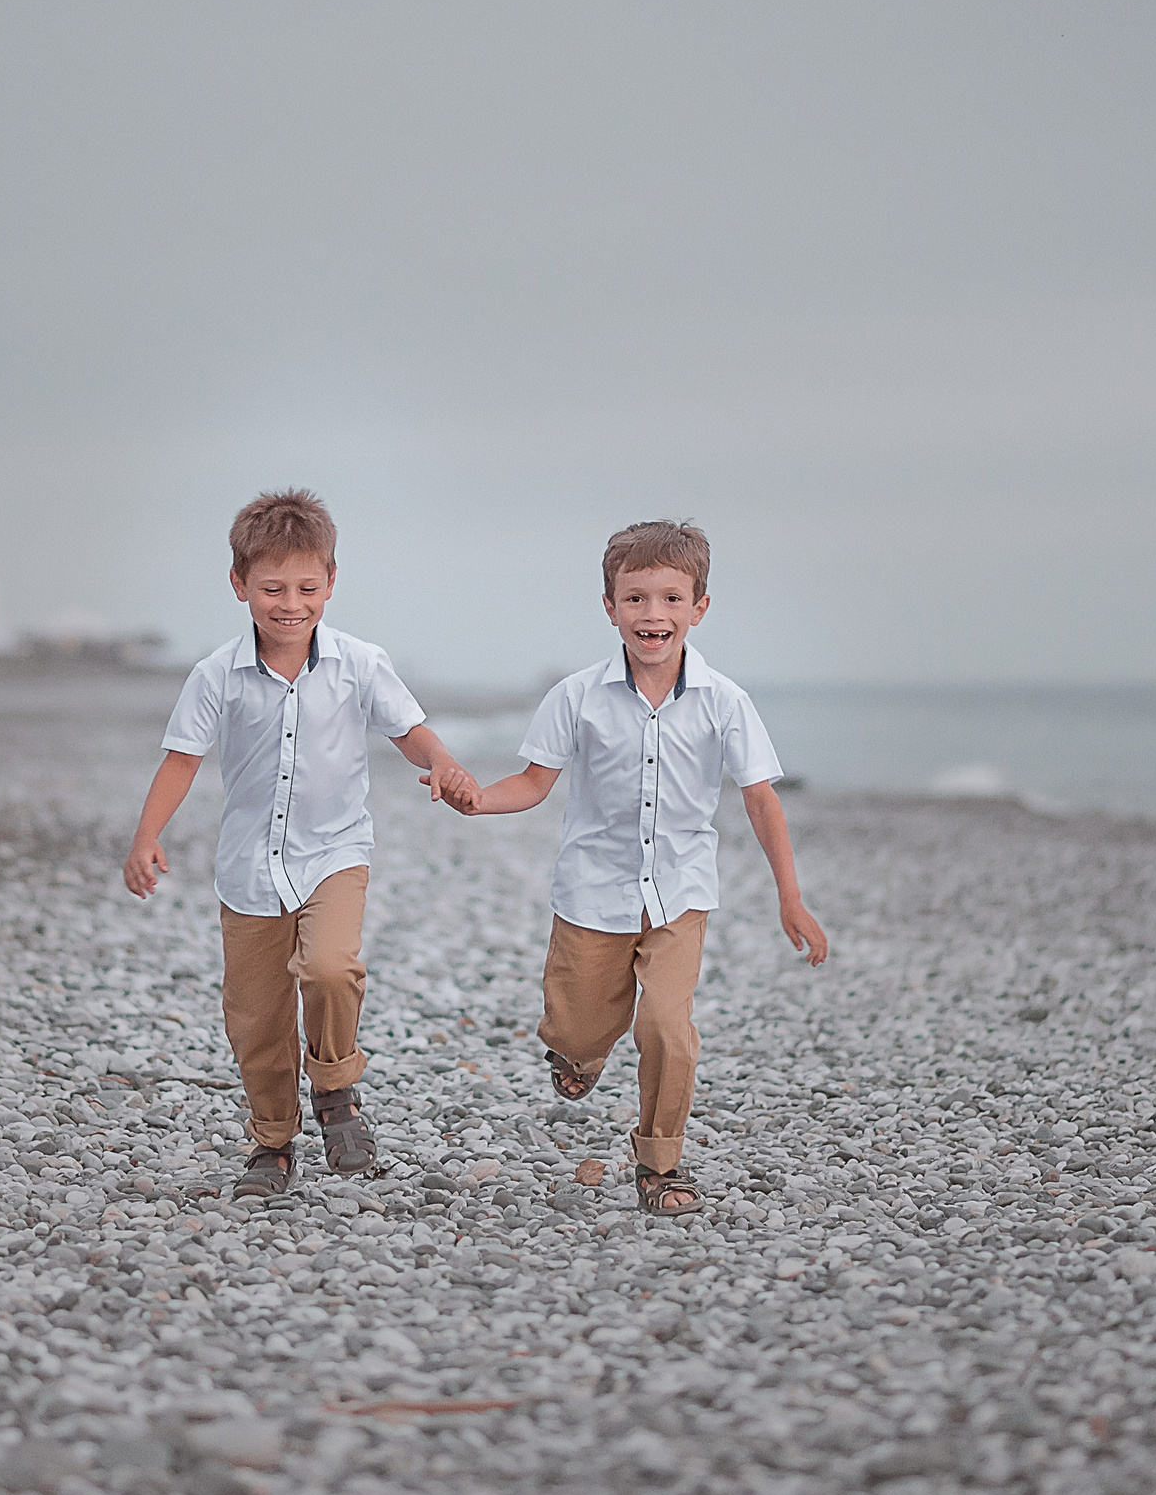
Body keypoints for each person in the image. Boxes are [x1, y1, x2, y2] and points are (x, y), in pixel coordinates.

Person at [447, 519, 826, 1217]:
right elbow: (533, 782)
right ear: (610, 606)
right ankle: (578, 1053)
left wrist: (790, 897)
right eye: (637, 599)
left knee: (666, 1027)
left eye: (671, 599)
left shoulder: (725, 702)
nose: (654, 615)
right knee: (578, 1024)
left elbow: (761, 799)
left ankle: (660, 1161)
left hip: (681, 892)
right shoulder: (576, 696)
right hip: (593, 891)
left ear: (699, 607)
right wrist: (475, 799)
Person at [123, 489, 477, 1198]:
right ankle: (272, 1145)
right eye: (272, 588)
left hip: (334, 854)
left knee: (330, 969)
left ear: (332, 582)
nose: (291, 603)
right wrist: (147, 835)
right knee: (256, 1019)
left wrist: (442, 762)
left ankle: (337, 1091)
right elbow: (183, 758)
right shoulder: (216, 675)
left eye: (307, 587)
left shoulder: (360, 663)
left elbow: (408, 729)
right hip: (249, 867)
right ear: (240, 585)